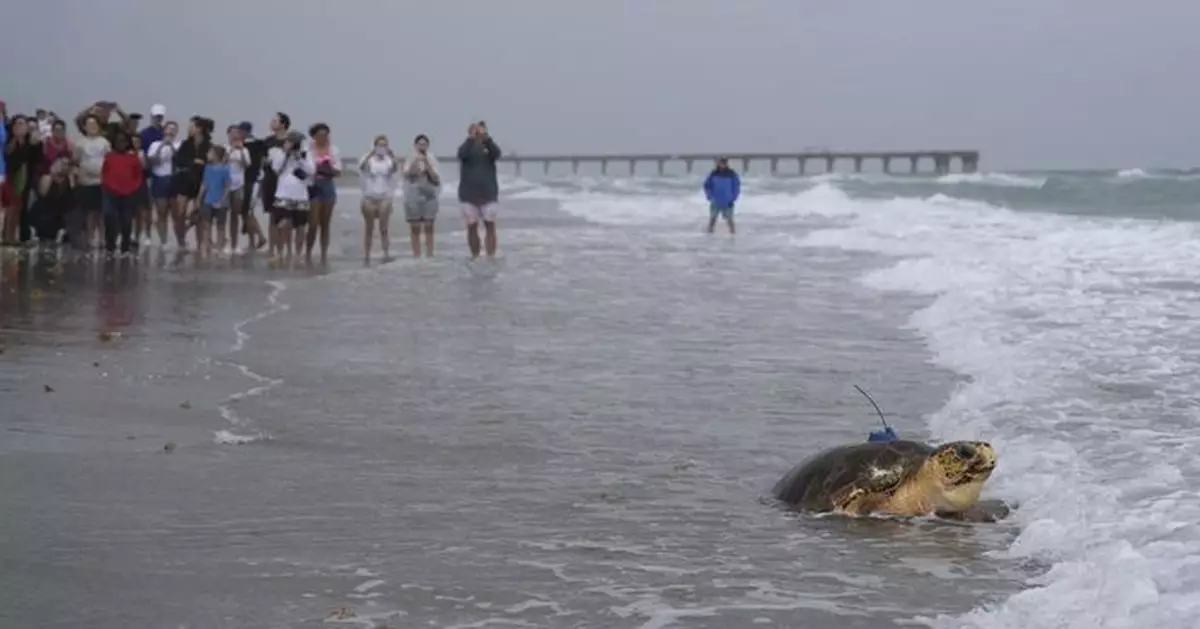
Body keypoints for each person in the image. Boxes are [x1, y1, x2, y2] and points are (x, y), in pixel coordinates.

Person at [267, 130, 315, 262]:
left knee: (300, 226)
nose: (292, 144)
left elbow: (311, 170)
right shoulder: (280, 153)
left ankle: (298, 254)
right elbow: (276, 169)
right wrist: (286, 153)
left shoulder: (306, 154)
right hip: (283, 193)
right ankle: (281, 252)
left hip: (301, 195)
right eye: (290, 141)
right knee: (282, 224)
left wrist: (300, 157)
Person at [456, 120, 502, 259]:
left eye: (481, 130)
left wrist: (486, 139)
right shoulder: (467, 147)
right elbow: (461, 155)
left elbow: (497, 154)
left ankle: (490, 255)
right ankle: (475, 255)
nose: (478, 133)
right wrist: (471, 138)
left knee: (490, 225)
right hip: (468, 194)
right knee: (471, 226)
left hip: (488, 193)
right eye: (476, 130)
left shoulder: (489, 147)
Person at [171, 116, 212, 250]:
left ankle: (200, 243)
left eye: (192, 126)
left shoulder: (208, 145)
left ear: (199, 129)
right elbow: (177, 160)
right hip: (184, 180)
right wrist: (193, 162)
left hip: (201, 181)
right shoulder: (185, 144)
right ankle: (181, 242)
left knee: (199, 214)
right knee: (180, 213)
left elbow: (211, 162)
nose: (189, 129)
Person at [99, 131, 144, 255]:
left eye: (124, 141)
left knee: (126, 220)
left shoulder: (133, 158)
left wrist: (133, 188)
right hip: (110, 192)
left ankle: (125, 246)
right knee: (109, 216)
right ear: (114, 143)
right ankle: (110, 246)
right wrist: (107, 186)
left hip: (128, 193)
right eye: (119, 141)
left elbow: (138, 175)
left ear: (127, 143)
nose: (121, 143)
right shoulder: (109, 157)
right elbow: (104, 172)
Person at [358, 134, 399, 264]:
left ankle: (386, 253)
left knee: (384, 227)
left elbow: (395, 169)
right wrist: (371, 153)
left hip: (385, 196)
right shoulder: (368, 159)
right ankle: (367, 255)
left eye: (384, 145)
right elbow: (362, 167)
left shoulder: (388, 160)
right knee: (369, 228)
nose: (382, 148)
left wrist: (392, 156)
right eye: (380, 145)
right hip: (369, 196)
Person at [71, 114, 111, 250]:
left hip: (102, 181)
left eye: (94, 124)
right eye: (89, 125)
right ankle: (90, 238)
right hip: (86, 181)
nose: (92, 127)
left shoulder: (104, 142)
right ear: (84, 127)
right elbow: (75, 161)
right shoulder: (80, 143)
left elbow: (109, 160)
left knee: (101, 212)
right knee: (90, 212)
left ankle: (102, 238)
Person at [3, 115, 44, 245]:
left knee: (22, 206)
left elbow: (37, 159)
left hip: (27, 177)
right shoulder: (9, 143)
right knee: (11, 207)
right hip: (11, 176)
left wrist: (33, 144)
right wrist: (20, 143)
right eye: (17, 124)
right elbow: (13, 160)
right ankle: (7, 236)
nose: (20, 127)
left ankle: (22, 236)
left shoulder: (34, 142)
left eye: (22, 124)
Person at [255, 113, 290, 254]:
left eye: (275, 121)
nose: (271, 123)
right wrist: (265, 162)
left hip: (285, 182)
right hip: (269, 180)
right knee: (272, 215)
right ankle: (272, 249)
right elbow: (261, 160)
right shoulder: (267, 141)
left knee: (285, 216)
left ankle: (283, 249)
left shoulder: (291, 140)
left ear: (283, 124)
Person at [305, 123, 340, 265]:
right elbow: (307, 169)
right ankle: (307, 252)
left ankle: (324, 255)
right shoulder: (308, 150)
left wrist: (327, 169)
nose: (323, 138)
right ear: (314, 137)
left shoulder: (333, 150)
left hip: (328, 186)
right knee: (313, 222)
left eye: (326, 135)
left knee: (325, 223)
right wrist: (320, 169)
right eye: (320, 135)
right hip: (313, 186)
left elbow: (337, 170)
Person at [403, 133, 441, 258]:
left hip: (429, 195)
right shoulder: (410, 159)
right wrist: (416, 163)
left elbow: (436, 179)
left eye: (425, 144)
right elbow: (407, 175)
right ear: (415, 145)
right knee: (415, 227)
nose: (422, 146)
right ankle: (416, 254)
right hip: (413, 195)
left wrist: (427, 164)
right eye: (420, 144)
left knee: (429, 225)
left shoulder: (432, 159)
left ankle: (430, 253)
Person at [230, 121, 266, 251]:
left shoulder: (253, 145)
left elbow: (254, 164)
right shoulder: (253, 144)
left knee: (246, 211)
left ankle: (260, 237)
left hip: (252, 180)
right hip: (245, 181)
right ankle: (253, 241)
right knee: (245, 211)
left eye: (240, 131)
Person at [146, 121, 178, 247]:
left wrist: (171, 147)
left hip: (173, 179)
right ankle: (163, 240)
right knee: (161, 212)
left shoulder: (178, 144)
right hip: (159, 179)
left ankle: (178, 239)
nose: (170, 132)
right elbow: (152, 161)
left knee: (176, 213)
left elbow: (179, 160)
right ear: (164, 131)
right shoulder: (155, 144)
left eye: (173, 130)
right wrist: (162, 146)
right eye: (168, 130)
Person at [195, 145, 231, 258]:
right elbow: (204, 184)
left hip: (221, 202)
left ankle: (219, 248)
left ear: (216, 155)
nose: (207, 155)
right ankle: (206, 247)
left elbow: (227, 186)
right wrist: (198, 198)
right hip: (208, 200)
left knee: (221, 226)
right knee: (206, 225)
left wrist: (222, 199)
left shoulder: (225, 169)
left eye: (210, 153)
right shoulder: (208, 168)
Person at [32, 155, 74, 246]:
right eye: (62, 164)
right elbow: (43, 193)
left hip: (61, 213)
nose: (65, 167)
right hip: (45, 212)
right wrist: (53, 175)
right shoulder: (47, 178)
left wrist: (70, 177)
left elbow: (73, 195)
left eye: (67, 165)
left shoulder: (69, 180)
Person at [703, 157, 740, 234]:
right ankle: (709, 235)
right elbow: (707, 185)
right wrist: (709, 196)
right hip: (715, 201)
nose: (722, 165)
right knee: (712, 220)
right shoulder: (713, 174)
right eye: (720, 163)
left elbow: (736, 187)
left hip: (728, 201)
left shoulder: (732, 174)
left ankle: (733, 236)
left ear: (726, 164)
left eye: (724, 163)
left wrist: (733, 198)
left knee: (730, 221)